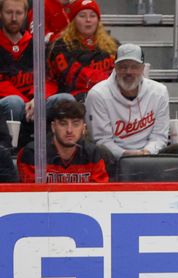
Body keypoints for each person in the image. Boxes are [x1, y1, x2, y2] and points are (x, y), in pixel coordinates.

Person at [85, 43, 178, 177]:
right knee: (100, 151)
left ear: (142, 68)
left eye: (134, 67)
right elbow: (102, 141)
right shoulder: (98, 94)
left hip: (151, 158)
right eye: (123, 67)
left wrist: (146, 153)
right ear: (115, 68)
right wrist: (125, 154)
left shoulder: (159, 92)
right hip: (115, 160)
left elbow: (159, 137)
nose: (128, 72)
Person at [0, 0, 74, 142]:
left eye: (19, 13)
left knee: (67, 99)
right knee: (14, 103)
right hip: (8, 107)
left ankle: (57, 146)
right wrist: (25, 102)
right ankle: (9, 148)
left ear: (26, 15)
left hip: (36, 103)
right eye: (9, 12)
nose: (14, 18)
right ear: (0, 14)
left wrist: (38, 99)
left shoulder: (38, 45)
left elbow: (50, 79)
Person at [17, 98, 107, 182]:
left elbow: (99, 195)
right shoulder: (33, 153)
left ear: (84, 128)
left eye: (75, 124)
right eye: (63, 124)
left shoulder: (92, 154)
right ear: (53, 127)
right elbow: (30, 195)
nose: (69, 130)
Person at [48, 0, 118, 101]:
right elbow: (74, 75)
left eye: (92, 15)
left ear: (98, 21)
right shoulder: (61, 46)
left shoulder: (112, 44)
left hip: (108, 92)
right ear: (73, 20)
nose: (88, 20)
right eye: (82, 16)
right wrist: (108, 81)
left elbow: (121, 69)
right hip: (75, 97)